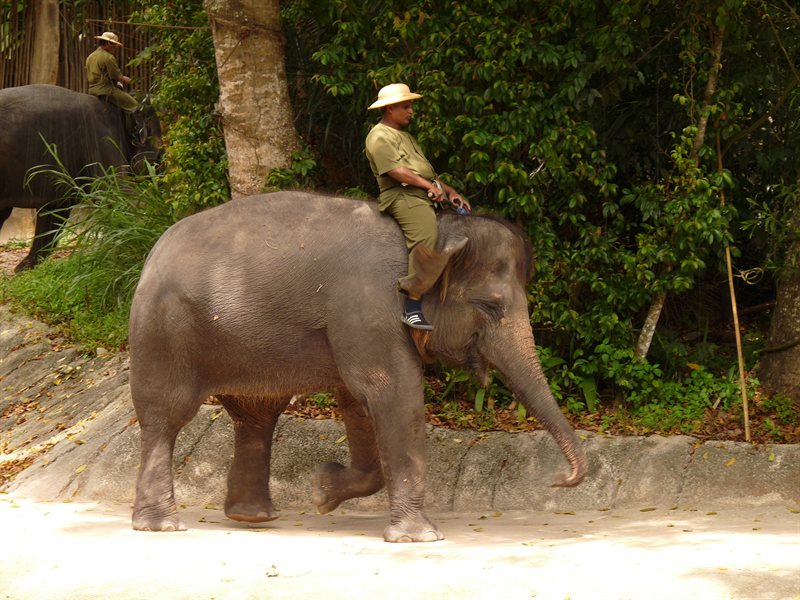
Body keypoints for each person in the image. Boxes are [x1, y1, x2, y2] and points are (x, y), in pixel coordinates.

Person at [365, 83, 471, 331]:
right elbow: (394, 170)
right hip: (403, 195)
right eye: (406, 106)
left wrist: (449, 191)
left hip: (422, 191)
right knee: (427, 237)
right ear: (390, 109)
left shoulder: (406, 136)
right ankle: (412, 306)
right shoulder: (379, 135)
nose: (411, 111)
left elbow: (426, 173)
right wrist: (427, 187)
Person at [86, 31, 140, 140]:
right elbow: (117, 77)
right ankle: (134, 135)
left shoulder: (90, 57)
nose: (115, 48)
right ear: (108, 44)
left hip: (92, 89)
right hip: (106, 90)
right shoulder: (108, 57)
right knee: (135, 106)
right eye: (114, 45)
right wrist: (130, 81)